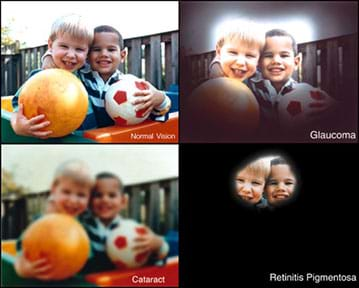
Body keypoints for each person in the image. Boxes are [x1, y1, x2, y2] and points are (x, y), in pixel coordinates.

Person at [43, 25, 172, 128]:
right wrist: (48, 57)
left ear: (122, 55)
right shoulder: (78, 75)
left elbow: (158, 118)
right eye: (97, 49)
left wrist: (160, 100)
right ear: (87, 54)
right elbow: (61, 58)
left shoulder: (131, 86)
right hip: (84, 141)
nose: (104, 54)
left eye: (111, 50)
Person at [10, 14, 96, 139]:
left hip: (88, 141)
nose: (71, 54)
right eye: (64, 46)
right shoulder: (40, 78)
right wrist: (17, 126)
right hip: (54, 142)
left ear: (87, 52)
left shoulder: (86, 74)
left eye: (79, 49)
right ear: (50, 45)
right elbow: (18, 106)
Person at [14, 159, 94, 280]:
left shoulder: (86, 225)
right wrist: (22, 269)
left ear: (89, 198)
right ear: (53, 189)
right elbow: (21, 252)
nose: (73, 200)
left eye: (81, 195)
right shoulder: (42, 223)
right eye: (66, 192)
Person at [80, 172, 169, 273]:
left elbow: (161, 255)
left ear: (123, 201)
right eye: (98, 195)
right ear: (89, 201)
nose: (104, 200)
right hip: (91, 279)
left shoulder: (131, 230)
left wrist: (158, 245)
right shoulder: (83, 226)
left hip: (121, 278)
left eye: (112, 195)